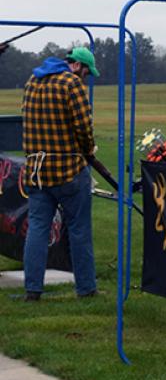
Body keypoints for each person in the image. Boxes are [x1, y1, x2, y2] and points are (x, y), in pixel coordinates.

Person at [22, 47, 100, 301]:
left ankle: (33, 290)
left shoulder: (32, 81)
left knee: (37, 230)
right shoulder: (71, 83)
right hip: (69, 171)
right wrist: (90, 149)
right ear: (77, 66)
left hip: (36, 172)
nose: (85, 79)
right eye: (86, 73)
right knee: (79, 231)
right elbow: (83, 125)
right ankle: (86, 289)